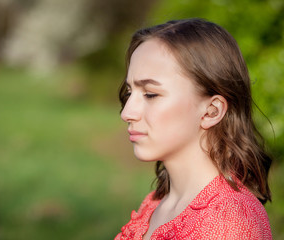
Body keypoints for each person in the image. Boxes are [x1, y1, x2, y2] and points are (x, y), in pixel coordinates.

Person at [114, 18, 272, 239]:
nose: (127, 113)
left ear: (212, 111)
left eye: (151, 94)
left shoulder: (230, 221)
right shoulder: (155, 204)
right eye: (130, 93)